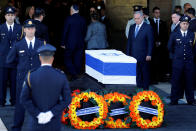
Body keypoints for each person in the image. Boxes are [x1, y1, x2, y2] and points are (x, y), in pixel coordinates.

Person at [20, 44, 71, 131]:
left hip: (36, 124)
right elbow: (67, 99)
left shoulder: (31, 75)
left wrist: (38, 114)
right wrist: (51, 113)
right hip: (54, 124)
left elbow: (24, 99)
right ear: (52, 59)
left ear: (40, 58)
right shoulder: (60, 76)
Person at [6, 19, 43, 131]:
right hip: (22, 80)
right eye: (28, 28)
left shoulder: (41, 44)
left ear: (35, 29)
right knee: (20, 106)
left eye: (32, 28)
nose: (30, 30)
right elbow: (9, 60)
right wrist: (20, 67)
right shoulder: (18, 45)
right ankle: (16, 127)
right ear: (24, 29)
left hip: (37, 79)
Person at [168, 15, 196, 105]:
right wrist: (175, 56)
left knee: (189, 81)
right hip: (177, 62)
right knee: (176, 81)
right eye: (183, 23)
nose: (185, 25)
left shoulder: (192, 34)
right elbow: (169, 47)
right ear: (180, 24)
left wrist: (191, 57)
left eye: (187, 24)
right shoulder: (174, 34)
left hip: (188, 62)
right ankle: (174, 100)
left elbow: (194, 49)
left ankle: (190, 100)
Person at [0, 6, 22, 107]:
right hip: (3, 60)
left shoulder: (19, 28)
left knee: (14, 82)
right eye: (8, 15)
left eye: (12, 15)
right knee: (2, 83)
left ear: (15, 16)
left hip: (15, 60)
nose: (10, 17)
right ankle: (1, 101)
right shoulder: (0, 28)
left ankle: (14, 101)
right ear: (5, 16)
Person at [126, 11, 153, 90]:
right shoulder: (132, 27)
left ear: (142, 18)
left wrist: (149, 54)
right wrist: (128, 54)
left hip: (144, 55)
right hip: (133, 55)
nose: (136, 20)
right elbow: (129, 42)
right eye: (135, 19)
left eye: (138, 18)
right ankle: (138, 91)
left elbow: (150, 42)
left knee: (145, 73)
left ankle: (145, 92)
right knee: (136, 74)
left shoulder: (148, 27)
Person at [61, 4, 86, 80]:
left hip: (70, 43)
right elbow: (84, 32)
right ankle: (76, 73)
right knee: (77, 58)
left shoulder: (69, 19)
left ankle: (73, 73)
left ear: (71, 10)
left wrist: (62, 43)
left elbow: (65, 32)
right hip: (80, 43)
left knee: (67, 58)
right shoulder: (83, 19)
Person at [149, 7, 168, 83]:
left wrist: (161, 42)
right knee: (153, 63)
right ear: (153, 13)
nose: (158, 14)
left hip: (161, 47)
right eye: (156, 12)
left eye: (159, 12)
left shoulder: (163, 23)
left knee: (161, 63)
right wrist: (154, 42)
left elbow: (165, 35)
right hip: (153, 46)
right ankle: (153, 79)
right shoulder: (150, 22)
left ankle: (160, 78)